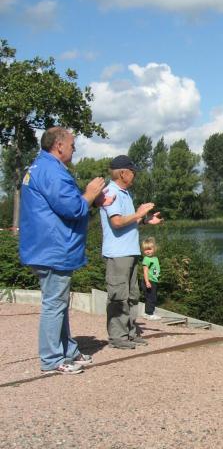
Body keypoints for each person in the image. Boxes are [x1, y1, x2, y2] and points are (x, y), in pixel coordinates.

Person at [19, 127, 110, 374]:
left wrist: (92, 201)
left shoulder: (39, 167)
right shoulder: (52, 172)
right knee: (54, 304)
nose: (74, 149)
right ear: (59, 145)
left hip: (44, 247)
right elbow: (72, 208)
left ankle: (68, 351)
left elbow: (64, 204)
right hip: (53, 248)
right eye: (72, 144)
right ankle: (51, 359)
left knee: (58, 302)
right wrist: (90, 193)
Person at [99, 155, 162, 349]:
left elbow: (128, 221)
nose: (135, 175)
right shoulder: (111, 192)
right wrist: (139, 213)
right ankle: (118, 337)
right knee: (118, 296)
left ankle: (130, 333)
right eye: (133, 172)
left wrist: (144, 220)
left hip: (130, 252)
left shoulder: (125, 193)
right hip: (118, 254)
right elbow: (117, 222)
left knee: (133, 295)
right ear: (122, 173)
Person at [140, 236, 162, 321]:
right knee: (151, 298)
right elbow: (145, 271)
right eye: (145, 250)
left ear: (154, 249)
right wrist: (147, 281)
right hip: (149, 281)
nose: (148, 251)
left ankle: (149, 313)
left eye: (149, 249)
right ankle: (149, 314)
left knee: (153, 297)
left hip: (153, 281)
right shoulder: (146, 259)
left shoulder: (155, 258)